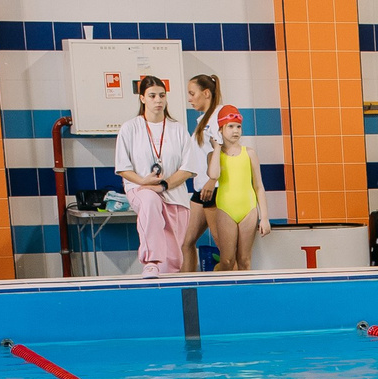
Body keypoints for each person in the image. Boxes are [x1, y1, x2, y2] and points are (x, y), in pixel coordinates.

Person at [114, 75, 195, 278]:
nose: (158, 100)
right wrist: (143, 181)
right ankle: (150, 261)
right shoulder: (130, 128)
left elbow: (188, 168)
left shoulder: (178, 129)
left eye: (161, 95)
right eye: (152, 96)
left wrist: (164, 185)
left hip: (174, 194)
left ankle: (167, 285)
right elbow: (122, 168)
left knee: (173, 259)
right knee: (150, 201)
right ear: (142, 98)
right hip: (140, 189)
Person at [204, 107, 268, 271]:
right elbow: (214, 175)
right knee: (227, 260)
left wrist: (264, 217)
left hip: (249, 209)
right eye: (230, 126)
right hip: (225, 210)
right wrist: (217, 148)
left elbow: (259, 186)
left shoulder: (250, 153)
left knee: (245, 260)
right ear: (220, 129)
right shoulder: (213, 156)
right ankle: (219, 280)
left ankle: (246, 289)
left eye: (238, 126)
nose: (235, 131)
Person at [179, 74, 220, 272]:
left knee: (226, 250)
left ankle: (235, 287)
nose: (190, 99)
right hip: (200, 189)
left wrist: (213, 180)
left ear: (206, 93)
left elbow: (223, 152)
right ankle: (187, 287)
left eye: (192, 93)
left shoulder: (218, 118)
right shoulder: (203, 120)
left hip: (214, 189)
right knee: (186, 243)